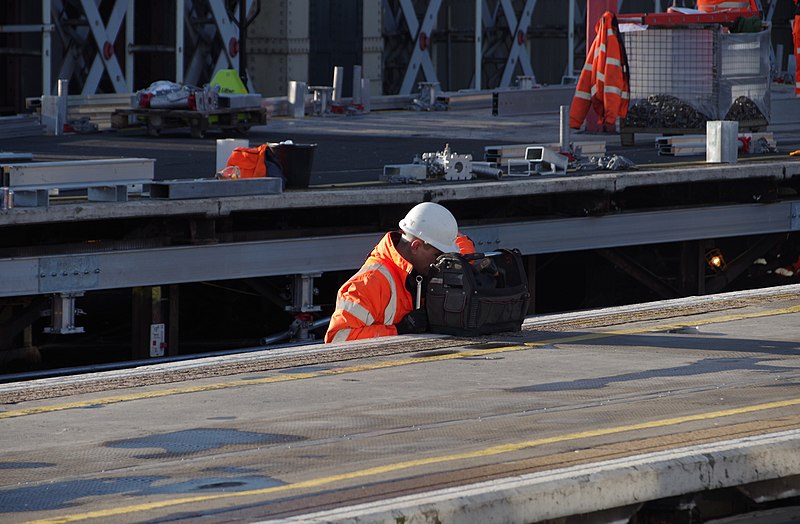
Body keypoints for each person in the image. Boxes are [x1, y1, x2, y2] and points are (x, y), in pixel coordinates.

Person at [325, 202, 469, 343]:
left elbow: (462, 245)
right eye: (437, 256)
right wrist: (399, 330)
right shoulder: (371, 282)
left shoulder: (420, 265)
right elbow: (337, 338)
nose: (440, 262)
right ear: (416, 246)